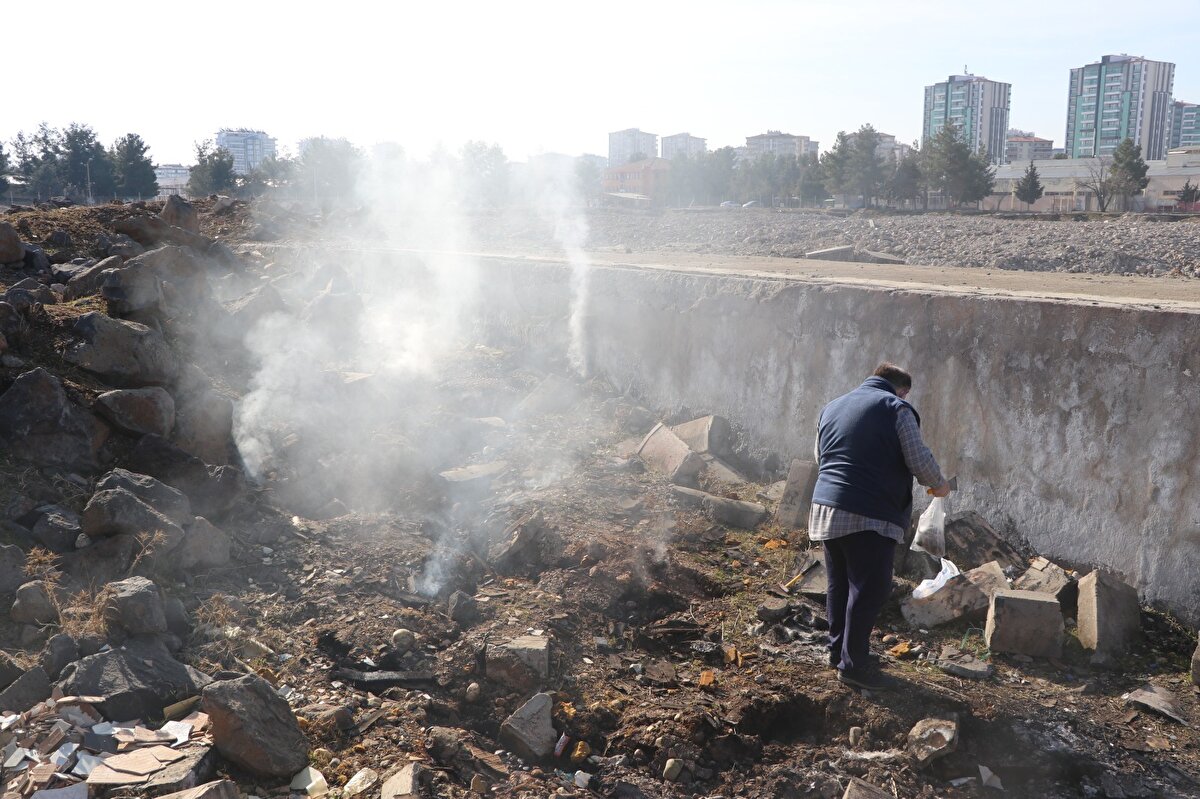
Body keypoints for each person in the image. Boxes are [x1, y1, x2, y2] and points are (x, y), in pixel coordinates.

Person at [808, 363, 950, 690]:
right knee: (870, 589)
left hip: (826, 507)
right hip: (868, 511)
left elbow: (821, 457)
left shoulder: (832, 406)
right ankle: (854, 666)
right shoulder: (896, 408)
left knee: (840, 585)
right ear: (902, 389)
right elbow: (918, 459)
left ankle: (838, 653)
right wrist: (939, 484)